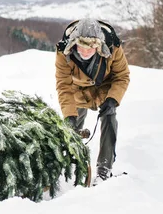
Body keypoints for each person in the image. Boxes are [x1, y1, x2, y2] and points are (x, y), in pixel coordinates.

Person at [55, 18, 130, 185]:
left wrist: (112, 99)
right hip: (77, 90)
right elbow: (64, 86)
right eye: (82, 46)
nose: (86, 51)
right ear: (74, 43)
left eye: (91, 48)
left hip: (104, 88)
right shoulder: (63, 52)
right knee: (71, 126)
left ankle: (104, 170)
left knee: (109, 118)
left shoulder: (113, 47)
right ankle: (67, 166)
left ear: (99, 46)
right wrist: (69, 115)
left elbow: (122, 76)